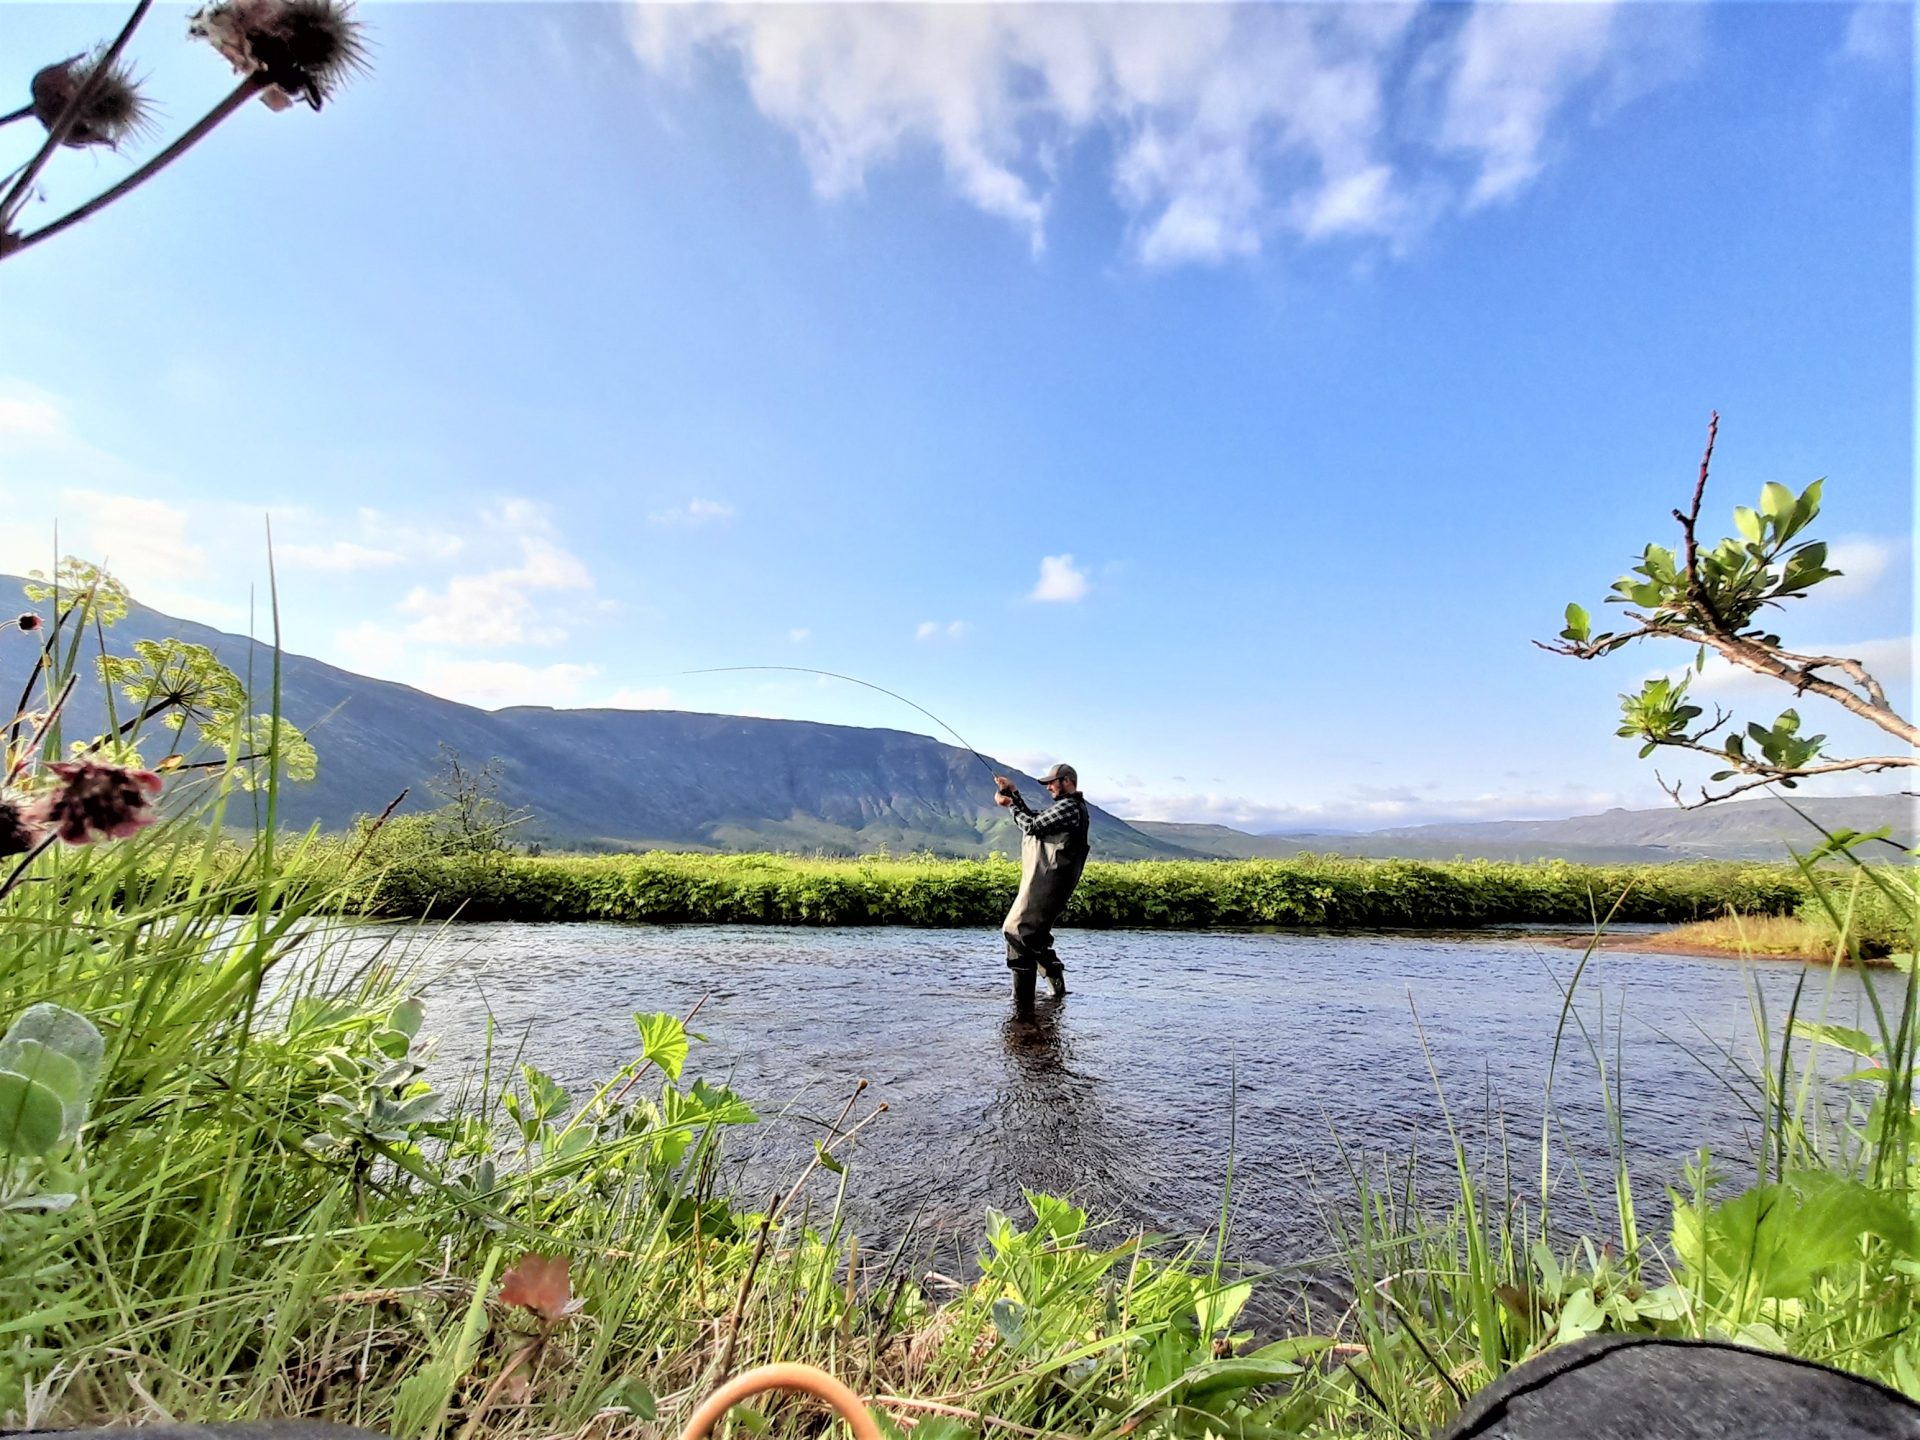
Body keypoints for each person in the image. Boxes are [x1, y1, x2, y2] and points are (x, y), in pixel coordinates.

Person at [993, 762, 1091, 1010]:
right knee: (1034, 937)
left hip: (1050, 883)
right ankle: (1056, 993)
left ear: (1067, 781)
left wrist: (1010, 805)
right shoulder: (1070, 808)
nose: (1048, 787)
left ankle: (1022, 1004)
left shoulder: (1070, 807)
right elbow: (1037, 818)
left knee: (1016, 930)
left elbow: (1032, 825)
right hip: (1050, 883)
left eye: (1052, 782)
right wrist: (1013, 794)